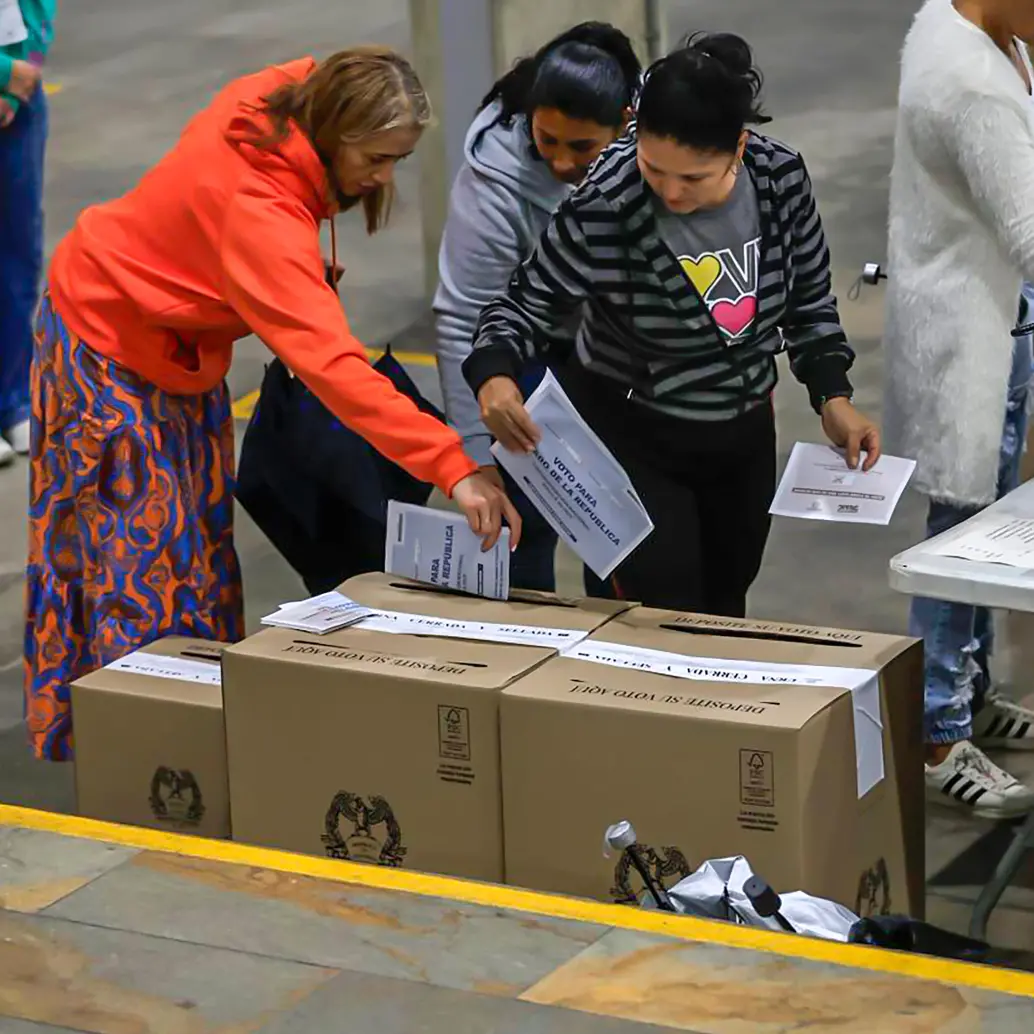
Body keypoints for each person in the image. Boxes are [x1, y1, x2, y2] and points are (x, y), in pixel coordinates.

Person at [26, 47, 519, 762]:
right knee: (137, 561)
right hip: (105, 348)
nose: (383, 178)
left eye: (398, 159)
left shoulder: (282, 97)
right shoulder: (260, 215)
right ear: (335, 132)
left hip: (176, 351)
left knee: (197, 544)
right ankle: (140, 754)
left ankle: (198, 733)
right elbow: (335, 369)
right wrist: (454, 464)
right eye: (377, 159)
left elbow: (313, 66)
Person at [463, 33, 880, 615]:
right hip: (633, 439)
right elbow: (521, 306)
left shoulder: (780, 180)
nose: (670, 192)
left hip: (742, 435)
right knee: (657, 618)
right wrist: (494, 375)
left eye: (693, 178)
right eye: (654, 169)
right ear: (634, 127)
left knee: (726, 605)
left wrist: (832, 394)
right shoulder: (606, 201)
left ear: (738, 148)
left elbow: (808, 299)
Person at [884, 0, 1034, 820]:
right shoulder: (972, 79)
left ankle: (971, 696)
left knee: (986, 521)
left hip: (997, 316)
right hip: (971, 335)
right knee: (959, 538)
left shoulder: (965, 23)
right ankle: (940, 733)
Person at [434, 21, 640, 592]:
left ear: (626, 123)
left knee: (626, 558)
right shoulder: (493, 184)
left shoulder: (660, 151)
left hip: (622, 366)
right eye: (546, 140)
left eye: (581, 147)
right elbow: (462, 318)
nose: (559, 163)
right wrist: (476, 455)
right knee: (519, 550)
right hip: (526, 362)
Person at [0, 0, 54, 468]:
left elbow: (40, 10)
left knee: (20, 254)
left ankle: (13, 398)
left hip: (20, 99)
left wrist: (22, 78)